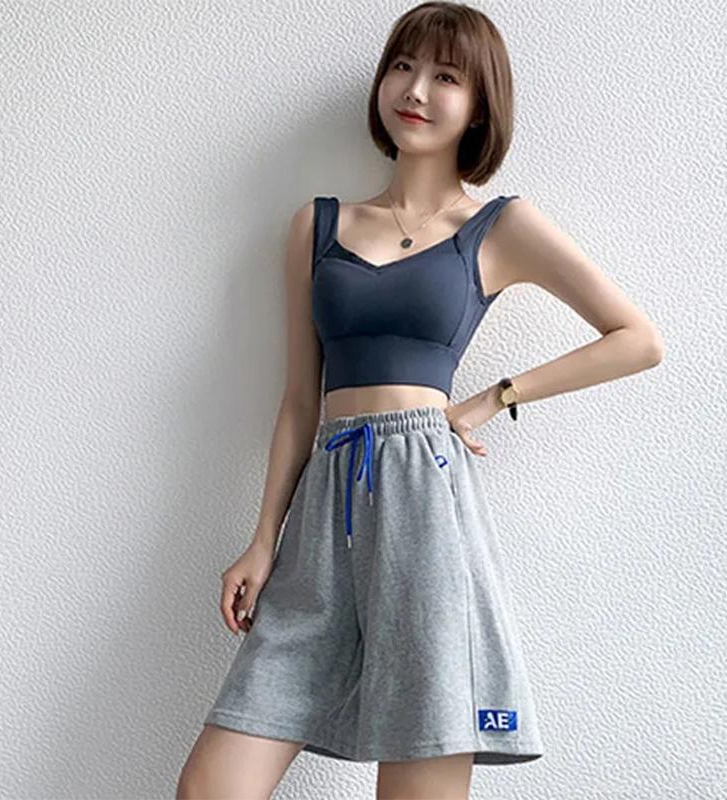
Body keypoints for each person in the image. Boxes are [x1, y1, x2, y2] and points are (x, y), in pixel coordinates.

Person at [177, 2, 664, 798]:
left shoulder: (499, 226)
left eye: (446, 77)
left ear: (480, 106)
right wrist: (263, 542)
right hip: (324, 511)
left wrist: (493, 398)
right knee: (211, 787)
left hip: (429, 504)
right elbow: (300, 401)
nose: (415, 90)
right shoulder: (318, 226)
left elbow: (636, 339)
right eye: (403, 67)